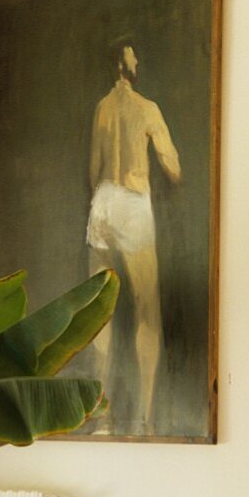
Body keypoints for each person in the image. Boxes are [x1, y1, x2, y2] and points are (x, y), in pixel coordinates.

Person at [87, 37, 181, 434]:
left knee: (100, 312)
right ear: (128, 63)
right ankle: (143, 418)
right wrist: (170, 170)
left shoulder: (102, 109)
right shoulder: (147, 109)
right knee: (147, 309)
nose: (137, 58)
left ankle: (104, 417)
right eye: (134, 54)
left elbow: (93, 169)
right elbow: (172, 165)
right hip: (133, 200)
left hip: (103, 202)